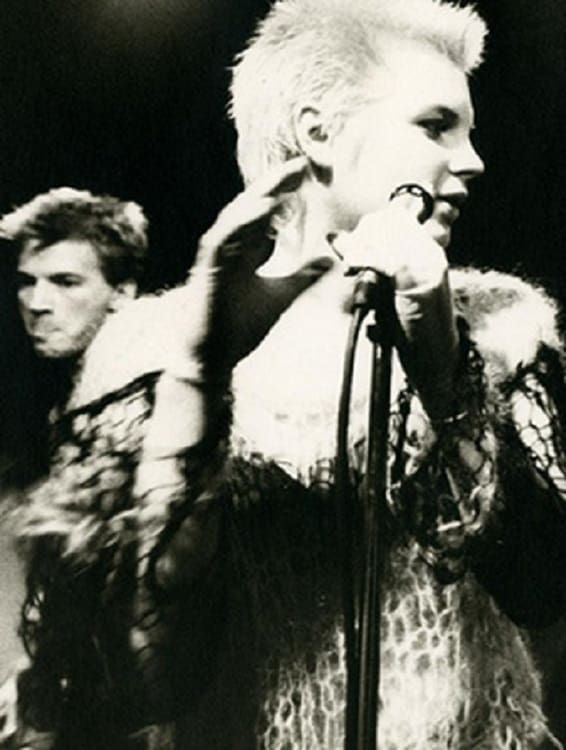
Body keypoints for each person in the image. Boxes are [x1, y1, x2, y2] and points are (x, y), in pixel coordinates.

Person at [3, 2, 566, 750]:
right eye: (436, 127)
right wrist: (200, 376)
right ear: (317, 133)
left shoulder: (502, 324)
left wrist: (442, 359)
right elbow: (140, 681)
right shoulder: (147, 347)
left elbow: (542, 586)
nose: (472, 162)